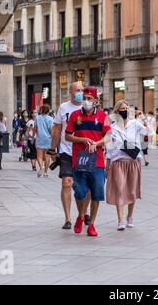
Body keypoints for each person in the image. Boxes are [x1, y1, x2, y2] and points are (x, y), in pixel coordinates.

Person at [65, 87, 111, 237]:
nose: (86, 101)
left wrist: (96, 144)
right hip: (80, 159)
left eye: (90, 99)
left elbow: (108, 137)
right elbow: (67, 136)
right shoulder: (74, 115)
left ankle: (91, 224)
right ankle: (81, 214)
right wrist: (82, 140)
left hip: (97, 160)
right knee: (79, 191)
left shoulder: (103, 116)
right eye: (84, 98)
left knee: (96, 192)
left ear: (95, 101)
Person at [49, 82, 90, 231]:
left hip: (84, 151)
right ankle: (67, 218)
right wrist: (52, 150)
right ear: (70, 93)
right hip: (67, 151)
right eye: (77, 90)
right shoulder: (63, 108)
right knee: (67, 183)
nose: (80, 92)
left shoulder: (88, 106)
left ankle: (84, 212)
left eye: (81, 90)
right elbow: (57, 129)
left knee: (85, 186)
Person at [106, 100, 146, 230]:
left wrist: (142, 117)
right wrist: (108, 165)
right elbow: (109, 147)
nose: (125, 110)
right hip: (118, 162)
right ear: (117, 111)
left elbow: (148, 133)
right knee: (120, 190)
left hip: (133, 162)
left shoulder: (135, 124)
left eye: (126, 108)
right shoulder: (112, 127)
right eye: (122, 108)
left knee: (132, 191)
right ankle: (120, 220)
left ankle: (130, 216)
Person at [34, 105, 54, 178]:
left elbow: (35, 129)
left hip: (40, 138)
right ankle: (45, 172)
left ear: (41, 110)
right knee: (47, 156)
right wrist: (53, 139)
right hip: (48, 139)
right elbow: (51, 130)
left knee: (39, 156)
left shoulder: (37, 118)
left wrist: (33, 137)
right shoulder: (51, 119)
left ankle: (41, 167)